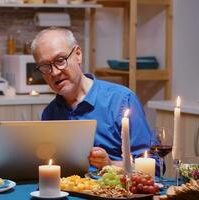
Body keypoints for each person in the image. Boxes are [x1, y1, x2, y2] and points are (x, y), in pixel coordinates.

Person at [31, 27, 161, 173]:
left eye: (60, 60)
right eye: (45, 66)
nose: (54, 72)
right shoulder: (50, 113)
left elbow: (155, 168)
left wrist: (110, 164)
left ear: (78, 54)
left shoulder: (121, 100)